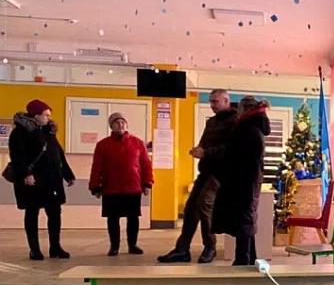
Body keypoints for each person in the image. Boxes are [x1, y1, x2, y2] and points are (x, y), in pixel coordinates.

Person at [158, 89, 236, 264]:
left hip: (221, 173)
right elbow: (204, 142)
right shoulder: (212, 122)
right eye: (211, 101)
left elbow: (230, 149)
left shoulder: (234, 121)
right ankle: (182, 249)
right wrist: (199, 150)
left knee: (204, 203)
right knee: (190, 207)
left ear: (226, 101)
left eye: (215, 101)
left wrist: (206, 152)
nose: (212, 105)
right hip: (206, 170)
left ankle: (210, 247)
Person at [7, 99, 75, 260]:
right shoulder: (20, 132)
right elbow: (17, 156)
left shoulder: (49, 131)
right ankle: (34, 249)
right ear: (35, 115)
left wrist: (68, 174)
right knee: (32, 213)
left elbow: (58, 154)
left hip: (52, 179)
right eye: (46, 115)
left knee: (55, 213)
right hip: (32, 180)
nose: (49, 118)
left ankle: (55, 247)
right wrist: (26, 174)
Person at [211, 96, 270, 266]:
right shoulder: (252, 127)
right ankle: (248, 258)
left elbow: (239, 157)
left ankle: (243, 260)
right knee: (246, 219)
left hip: (244, 180)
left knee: (244, 220)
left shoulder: (248, 129)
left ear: (245, 110)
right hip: (248, 180)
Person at [89, 112, 154, 256]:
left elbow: (146, 165)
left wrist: (147, 183)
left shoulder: (138, 143)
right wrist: (95, 186)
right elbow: (96, 167)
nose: (120, 125)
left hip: (133, 187)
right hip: (111, 188)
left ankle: (133, 244)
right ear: (111, 126)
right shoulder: (102, 145)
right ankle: (114, 246)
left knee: (133, 218)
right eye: (117, 123)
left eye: (123, 122)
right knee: (113, 218)